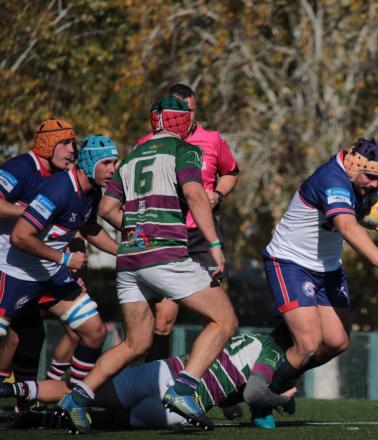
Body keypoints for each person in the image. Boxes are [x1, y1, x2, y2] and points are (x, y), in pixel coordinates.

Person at [57, 96, 239, 434]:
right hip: (165, 253)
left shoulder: (131, 157)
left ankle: (77, 397)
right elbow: (197, 196)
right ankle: (183, 390)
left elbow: (108, 209)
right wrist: (214, 245)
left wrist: (137, 230)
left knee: (135, 343)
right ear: (182, 121)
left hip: (129, 258)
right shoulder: (183, 150)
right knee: (225, 319)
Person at [260, 138, 378, 425]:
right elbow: (346, 227)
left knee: (336, 341)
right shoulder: (331, 180)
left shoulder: (361, 176)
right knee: (307, 343)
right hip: (290, 263)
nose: (373, 184)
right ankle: (264, 399)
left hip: (327, 270)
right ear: (354, 164)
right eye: (370, 177)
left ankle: (279, 373)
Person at [0, 127, 118, 408]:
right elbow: (19, 237)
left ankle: (74, 399)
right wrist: (64, 260)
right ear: (89, 164)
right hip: (16, 273)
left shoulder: (91, 193)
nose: (113, 170)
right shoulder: (58, 189)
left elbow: (89, 228)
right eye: (107, 163)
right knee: (7, 337)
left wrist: (123, 252)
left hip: (49, 275)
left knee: (95, 331)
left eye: (115, 163)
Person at [136, 84, 239, 363]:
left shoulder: (212, 140)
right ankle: (154, 383)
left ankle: (215, 386)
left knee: (217, 316)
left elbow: (231, 172)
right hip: (168, 236)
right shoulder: (146, 144)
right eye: (177, 110)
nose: (185, 115)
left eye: (190, 110)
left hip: (202, 237)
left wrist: (217, 193)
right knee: (164, 320)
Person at [2, 332, 295, 430]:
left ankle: (11, 389)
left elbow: (227, 371)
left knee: (81, 390)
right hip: (184, 404)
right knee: (109, 422)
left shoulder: (247, 336)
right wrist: (283, 399)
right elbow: (254, 392)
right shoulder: (272, 351)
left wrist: (231, 405)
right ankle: (41, 420)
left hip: (165, 371)